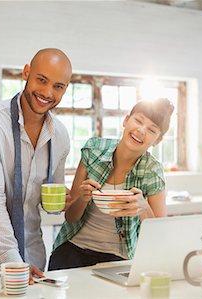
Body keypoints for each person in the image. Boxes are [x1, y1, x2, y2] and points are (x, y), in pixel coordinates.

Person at [0, 48, 72, 280]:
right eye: (41, 80)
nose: (47, 92)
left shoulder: (60, 136)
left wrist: (68, 200)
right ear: (26, 73)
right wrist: (13, 264)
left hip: (34, 259)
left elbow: (49, 201)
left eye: (58, 86)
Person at [48, 98, 174, 270]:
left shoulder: (152, 171)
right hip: (72, 249)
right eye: (138, 120)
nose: (141, 131)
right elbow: (70, 217)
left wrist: (143, 208)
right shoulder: (94, 150)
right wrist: (83, 198)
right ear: (126, 120)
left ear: (158, 140)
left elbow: (159, 234)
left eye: (152, 130)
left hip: (118, 258)